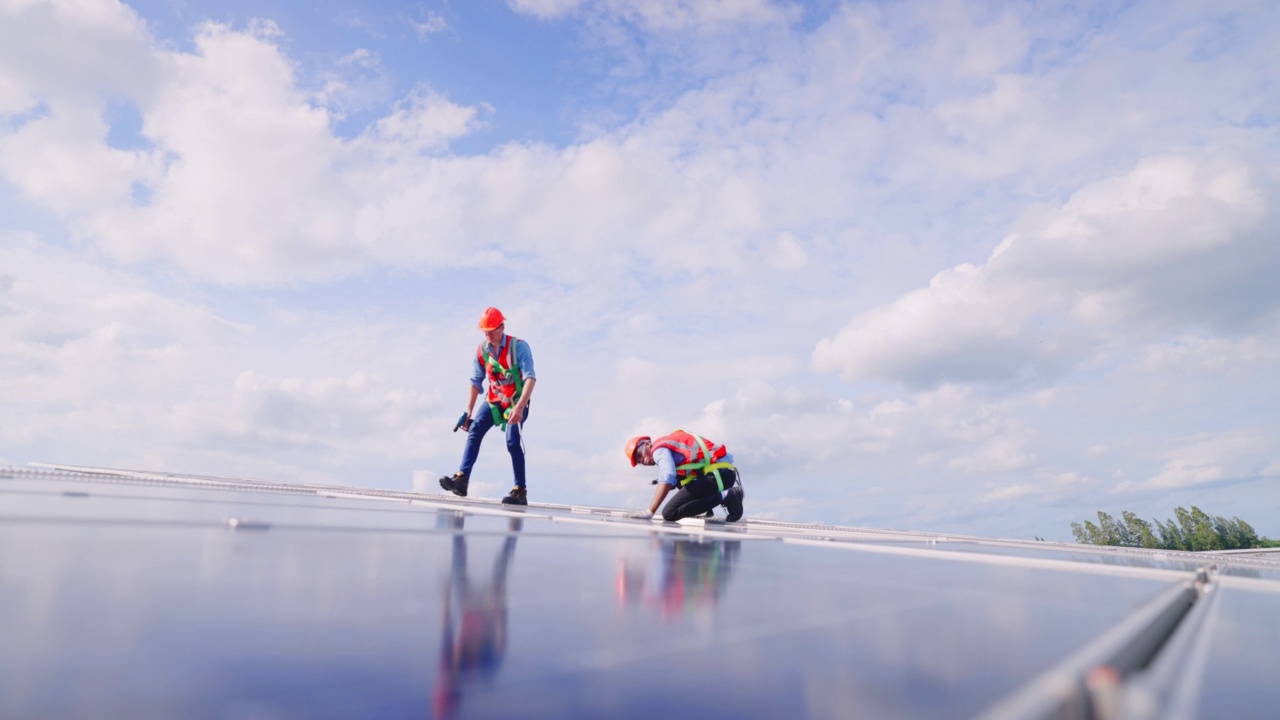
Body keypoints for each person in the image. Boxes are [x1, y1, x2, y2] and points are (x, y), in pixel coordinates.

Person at [439, 307, 536, 505]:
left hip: (516, 401)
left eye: (492, 330)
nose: (488, 334)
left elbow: (530, 378)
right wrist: (468, 410)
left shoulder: (519, 347)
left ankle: (520, 490)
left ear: (502, 327)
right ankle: (461, 479)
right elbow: (476, 381)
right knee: (474, 431)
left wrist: (519, 408)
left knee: (512, 441)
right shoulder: (482, 351)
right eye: (485, 331)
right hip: (493, 400)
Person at [624, 430, 744, 522]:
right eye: (638, 461)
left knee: (669, 513)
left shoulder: (658, 449)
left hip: (718, 475)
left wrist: (649, 512)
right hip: (723, 473)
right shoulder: (667, 445)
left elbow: (668, 475)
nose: (642, 460)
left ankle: (728, 496)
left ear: (647, 444)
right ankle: (706, 508)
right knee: (677, 480)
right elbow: (675, 476)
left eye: (639, 455)